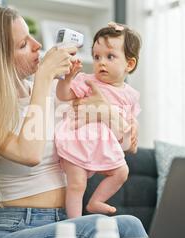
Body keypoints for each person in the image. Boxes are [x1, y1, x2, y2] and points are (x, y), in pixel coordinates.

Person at [0, 7, 147, 238]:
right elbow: (29, 154)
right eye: (23, 44)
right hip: (14, 230)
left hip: (66, 223)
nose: (36, 45)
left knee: (123, 230)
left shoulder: (57, 92)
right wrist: (44, 78)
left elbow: (126, 145)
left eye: (32, 36)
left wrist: (109, 113)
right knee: (127, 227)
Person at [55, 22, 142, 218]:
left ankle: (96, 201)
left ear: (129, 64)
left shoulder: (131, 95)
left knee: (122, 172)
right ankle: (75, 224)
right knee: (77, 184)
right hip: (76, 141)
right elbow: (63, 95)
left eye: (110, 56)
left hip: (104, 146)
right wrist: (67, 80)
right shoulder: (88, 81)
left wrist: (133, 125)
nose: (101, 62)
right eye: (96, 56)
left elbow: (131, 125)